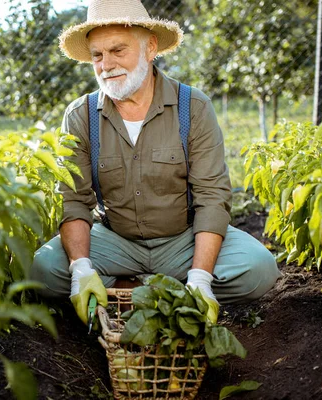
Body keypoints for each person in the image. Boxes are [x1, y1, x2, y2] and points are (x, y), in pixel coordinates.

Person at [30, 0, 281, 325]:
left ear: (150, 48)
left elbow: (212, 198)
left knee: (258, 269)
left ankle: (148, 291)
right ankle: (148, 290)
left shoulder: (193, 107)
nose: (106, 64)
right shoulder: (81, 116)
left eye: (117, 50)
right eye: (97, 55)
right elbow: (74, 200)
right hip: (114, 239)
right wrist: (80, 269)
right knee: (43, 270)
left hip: (183, 238)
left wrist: (202, 276)